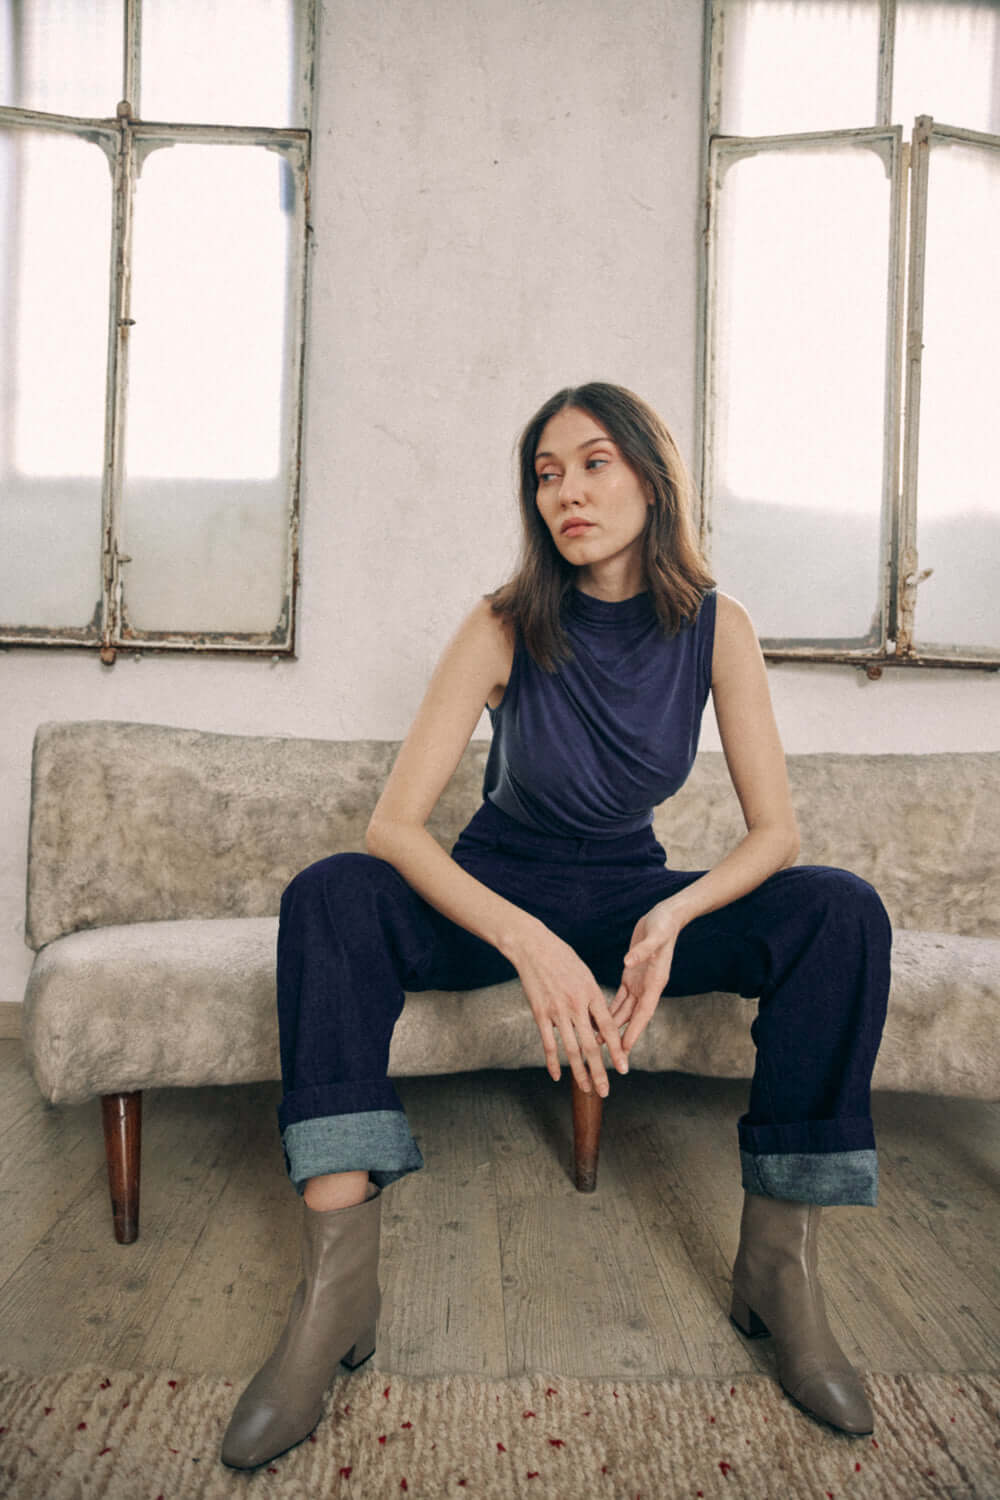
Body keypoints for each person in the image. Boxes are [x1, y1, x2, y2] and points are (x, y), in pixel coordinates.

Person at [221, 382, 891, 1469]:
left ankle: (778, 1272)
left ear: (648, 476)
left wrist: (675, 911)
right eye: (546, 473)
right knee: (332, 891)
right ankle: (334, 1298)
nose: (566, 492)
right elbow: (396, 825)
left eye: (593, 464)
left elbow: (775, 835)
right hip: (496, 891)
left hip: (631, 899)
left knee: (840, 912)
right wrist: (526, 940)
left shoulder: (718, 628)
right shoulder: (504, 621)